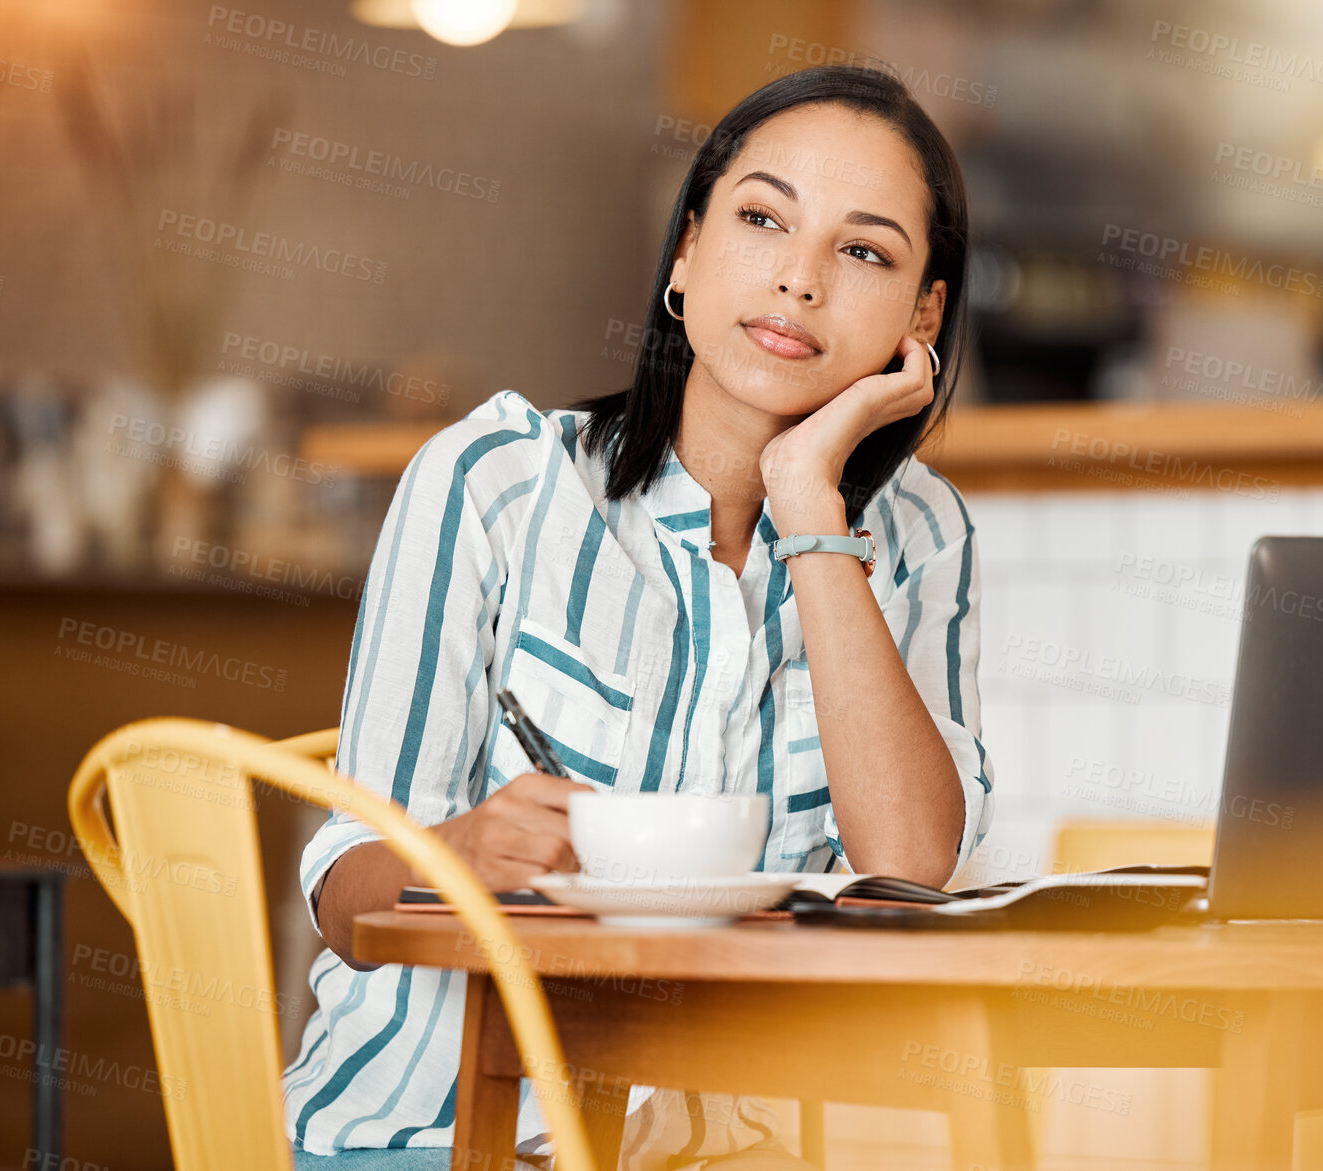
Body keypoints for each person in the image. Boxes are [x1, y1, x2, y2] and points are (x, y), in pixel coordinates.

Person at [286, 62, 995, 1170]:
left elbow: (907, 864)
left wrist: (809, 504)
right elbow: (343, 887)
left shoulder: (920, 537)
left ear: (923, 316)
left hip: (722, 1150)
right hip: (435, 1134)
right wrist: (460, 852)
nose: (799, 280)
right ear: (685, 253)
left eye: (862, 251)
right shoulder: (494, 482)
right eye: (762, 219)